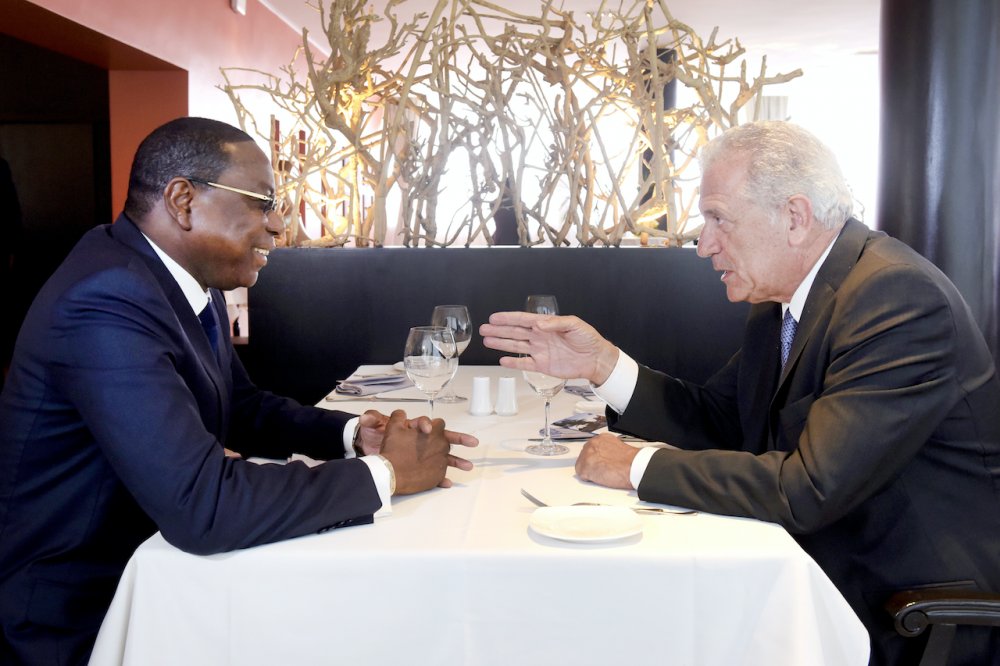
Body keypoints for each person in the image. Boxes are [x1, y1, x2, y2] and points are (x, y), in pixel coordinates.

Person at [480, 121, 1000, 665]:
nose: (704, 246)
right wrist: (602, 365)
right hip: (814, 563)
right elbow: (724, 420)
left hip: (902, 605)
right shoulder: (784, 301)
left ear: (794, 218)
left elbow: (808, 490)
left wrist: (635, 469)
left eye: (717, 219)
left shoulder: (894, 299)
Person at [0, 117, 477, 665]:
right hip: (80, 615)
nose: (277, 224)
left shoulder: (177, 278)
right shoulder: (106, 299)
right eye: (261, 201)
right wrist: (387, 474)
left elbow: (239, 405)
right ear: (183, 200)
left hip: (162, 580)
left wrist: (352, 437)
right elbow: (203, 505)